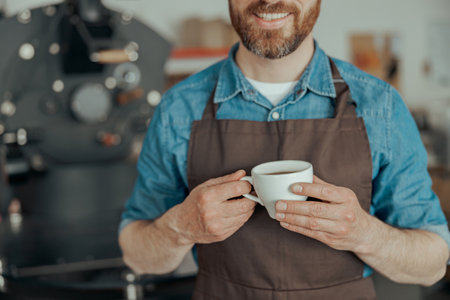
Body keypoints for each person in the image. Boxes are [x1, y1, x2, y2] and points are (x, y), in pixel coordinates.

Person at [119, 0, 450, 298]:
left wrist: (364, 234)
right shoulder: (178, 108)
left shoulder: (381, 107)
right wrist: (180, 227)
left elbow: (432, 265)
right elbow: (137, 254)